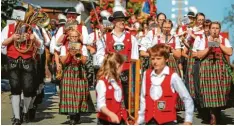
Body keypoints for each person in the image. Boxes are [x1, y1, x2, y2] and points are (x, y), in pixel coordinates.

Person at [1, 2, 43, 125]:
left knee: (28, 89)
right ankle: (17, 117)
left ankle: (25, 111)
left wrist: (33, 39)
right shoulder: (8, 28)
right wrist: (12, 38)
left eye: (22, 12)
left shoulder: (32, 29)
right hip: (13, 60)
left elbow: (40, 46)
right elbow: (2, 43)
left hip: (27, 60)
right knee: (15, 89)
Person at [135, 43, 194, 125]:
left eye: (158, 59)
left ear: (166, 59)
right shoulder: (146, 74)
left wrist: (188, 120)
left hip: (168, 121)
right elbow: (143, 99)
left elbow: (187, 98)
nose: (155, 62)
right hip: (150, 121)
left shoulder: (173, 76)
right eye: (152, 59)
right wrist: (139, 120)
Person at [96, 5, 139, 110]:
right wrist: (107, 63)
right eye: (119, 20)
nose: (122, 22)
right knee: (111, 98)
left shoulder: (131, 38)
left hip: (127, 73)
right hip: (110, 72)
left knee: (128, 99)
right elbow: (99, 55)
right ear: (114, 22)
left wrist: (135, 74)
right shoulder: (105, 38)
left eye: (123, 20)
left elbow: (135, 58)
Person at [196, 22, 233, 124]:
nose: (215, 30)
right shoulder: (204, 40)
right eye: (213, 28)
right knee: (208, 92)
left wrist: (219, 44)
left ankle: (217, 112)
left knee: (220, 92)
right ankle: (212, 114)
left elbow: (229, 52)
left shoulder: (223, 40)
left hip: (220, 67)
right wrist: (209, 47)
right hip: (207, 67)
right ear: (210, 29)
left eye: (217, 28)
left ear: (219, 30)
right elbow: (199, 55)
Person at [59, 29, 89, 125]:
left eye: (76, 36)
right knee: (69, 94)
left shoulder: (82, 47)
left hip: (79, 70)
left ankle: (77, 114)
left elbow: (84, 61)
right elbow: (63, 61)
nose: (74, 38)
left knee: (79, 93)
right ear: (69, 37)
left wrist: (78, 53)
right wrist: (69, 53)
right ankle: (72, 116)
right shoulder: (64, 47)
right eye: (72, 36)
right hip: (69, 70)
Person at [96, 52, 128, 125]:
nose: (122, 68)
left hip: (120, 120)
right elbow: (100, 105)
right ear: (117, 66)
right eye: (121, 66)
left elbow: (121, 102)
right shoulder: (102, 83)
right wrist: (110, 114)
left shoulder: (118, 81)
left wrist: (125, 118)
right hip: (106, 121)